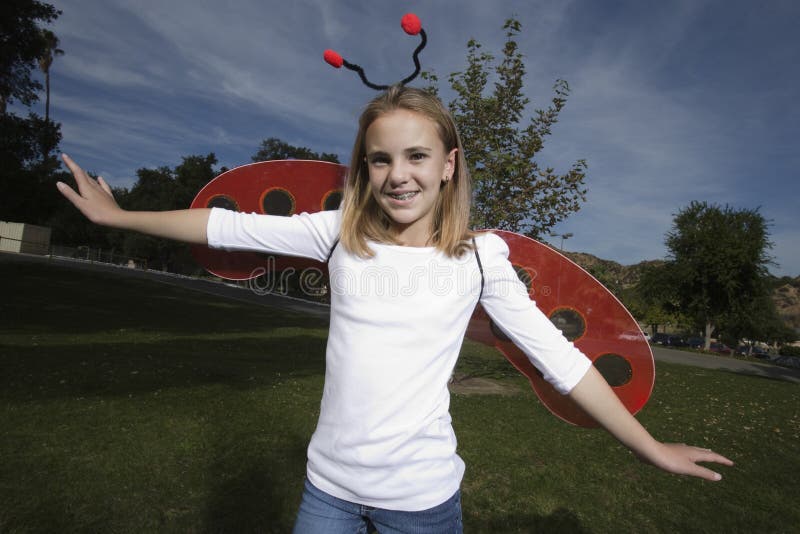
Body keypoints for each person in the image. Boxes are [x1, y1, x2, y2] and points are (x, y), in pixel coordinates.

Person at [57, 85, 733, 533]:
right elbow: (221, 228)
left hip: (422, 502)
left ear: (448, 164)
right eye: (380, 160)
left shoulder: (481, 260)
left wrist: (649, 448)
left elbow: (562, 360)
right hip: (327, 493)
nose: (397, 174)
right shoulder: (339, 236)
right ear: (365, 169)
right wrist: (123, 217)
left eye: (416, 155)